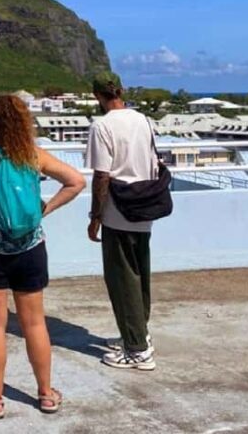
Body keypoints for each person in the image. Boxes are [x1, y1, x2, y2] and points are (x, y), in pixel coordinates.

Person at [0, 94, 86, 419]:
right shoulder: (33, 155)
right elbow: (77, 181)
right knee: (35, 323)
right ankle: (46, 394)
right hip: (30, 247)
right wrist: (44, 211)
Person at [86, 72, 159, 370]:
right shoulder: (144, 120)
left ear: (97, 96)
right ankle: (139, 333)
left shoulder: (102, 126)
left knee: (122, 280)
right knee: (140, 276)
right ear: (121, 90)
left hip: (118, 211)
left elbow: (102, 175)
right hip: (145, 205)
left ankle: (137, 350)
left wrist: (96, 216)